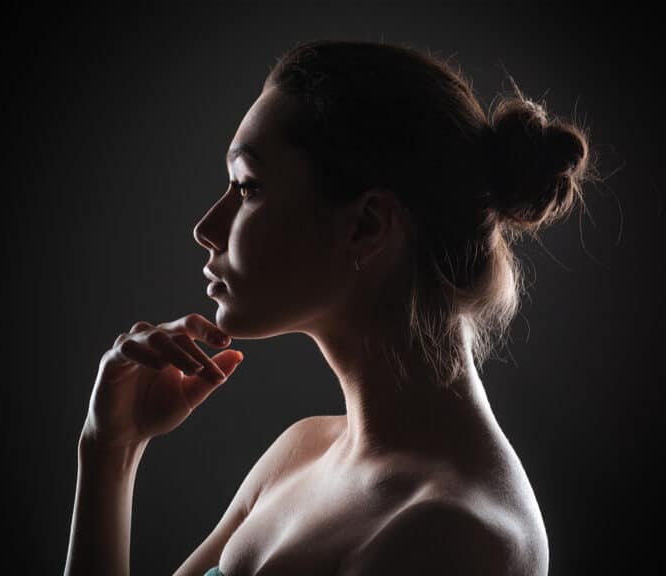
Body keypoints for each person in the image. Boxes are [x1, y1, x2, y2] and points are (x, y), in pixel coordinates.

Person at [64, 38, 594, 576]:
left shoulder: (456, 538)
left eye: (247, 188)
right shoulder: (301, 454)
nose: (206, 230)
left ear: (367, 225)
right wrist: (110, 451)